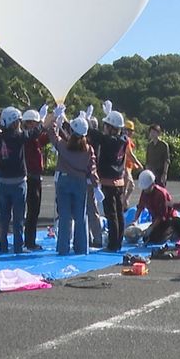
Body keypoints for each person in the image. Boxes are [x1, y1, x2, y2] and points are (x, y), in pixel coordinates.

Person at [0, 107, 45, 255]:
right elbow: (35, 132)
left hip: (3, 181)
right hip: (19, 182)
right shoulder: (18, 137)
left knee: (4, 218)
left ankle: (3, 247)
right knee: (18, 219)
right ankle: (18, 248)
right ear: (15, 122)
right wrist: (42, 120)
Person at [45, 106, 98, 255]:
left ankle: (63, 248)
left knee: (64, 217)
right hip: (80, 183)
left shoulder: (63, 146)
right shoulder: (88, 149)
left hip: (64, 181)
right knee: (81, 217)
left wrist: (55, 118)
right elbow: (92, 169)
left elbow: (51, 133)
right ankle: (81, 249)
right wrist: (96, 186)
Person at [87, 106, 131, 252]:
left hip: (108, 182)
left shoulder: (109, 141)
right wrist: (109, 115)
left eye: (106, 125)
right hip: (119, 181)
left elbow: (94, 134)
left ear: (111, 128)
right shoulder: (124, 139)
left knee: (111, 215)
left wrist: (86, 120)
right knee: (119, 214)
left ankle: (113, 245)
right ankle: (118, 242)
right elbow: (118, 134)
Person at [21, 109, 48, 251]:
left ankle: (28, 240)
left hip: (36, 176)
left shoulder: (33, 136)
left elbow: (45, 138)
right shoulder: (26, 136)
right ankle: (29, 242)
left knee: (34, 211)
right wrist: (43, 123)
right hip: (31, 176)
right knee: (32, 211)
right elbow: (36, 135)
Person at [131, 170, 175, 244]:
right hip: (156, 219)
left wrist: (151, 228)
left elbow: (162, 216)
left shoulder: (161, 194)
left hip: (168, 220)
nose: (145, 190)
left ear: (153, 184)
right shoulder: (145, 191)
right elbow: (140, 207)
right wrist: (135, 220)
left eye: (147, 188)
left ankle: (172, 231)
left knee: (157, 239)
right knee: (146, 238)